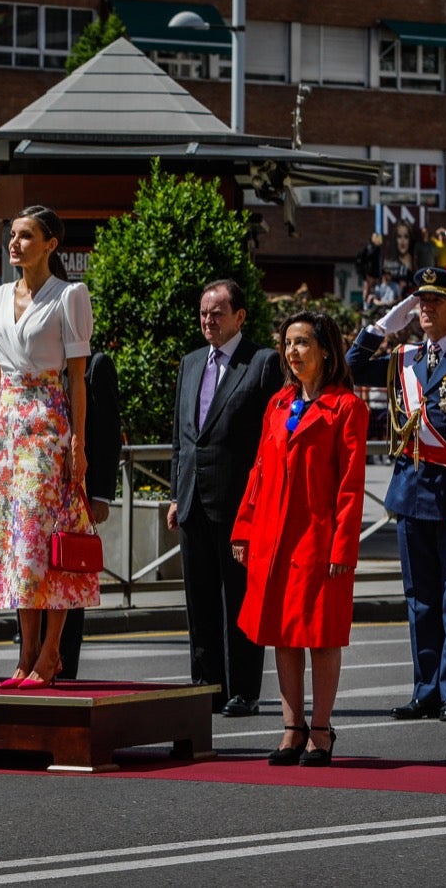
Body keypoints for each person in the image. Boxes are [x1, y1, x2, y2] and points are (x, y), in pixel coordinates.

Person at [346, 267, 446, 723]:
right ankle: (426, 689)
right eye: (420, 301)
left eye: (436, 301)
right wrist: (381, 327)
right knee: (420, 596)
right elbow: (352, 367)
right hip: (411, 489)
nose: (425, 309)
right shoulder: (405, 358)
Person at [230, 311, 368, 766]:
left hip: (317, 537)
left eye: (303, 342)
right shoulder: (278, 404)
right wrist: (244, 527)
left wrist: (343, 546)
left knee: (321, 636)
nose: (293, 352)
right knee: (282, 634)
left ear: (326, 349)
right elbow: (257, 472)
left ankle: (322, 729)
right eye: (288, 343)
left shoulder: (347, 408)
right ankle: (292, 727)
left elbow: (350, 484)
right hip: (273, 536)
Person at [0, 206, 99, 688]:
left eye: (26, 236)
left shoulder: (69, 296)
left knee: (47, 540)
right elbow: (0, 374)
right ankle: (24, 656)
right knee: (18, 544)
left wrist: (78, 445)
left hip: (48, 422)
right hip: (8, 428)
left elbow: (78, 379)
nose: (15, 243)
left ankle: (50, 655)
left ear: (50, 244)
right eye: (12, 235)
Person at [168, 279, 285, 717]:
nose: (208, 320)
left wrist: (261, 503)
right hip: (194, 499)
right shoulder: (191, 362)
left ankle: (243, 690)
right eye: (203, 312)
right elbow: (182, 439)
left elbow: (270, 439)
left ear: (240, 316)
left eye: (217, 312)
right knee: (199, 599)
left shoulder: (261, 363)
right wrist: (176, 493)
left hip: (239, 502)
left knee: (237, 600)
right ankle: (206, 685)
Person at [51, 345, 123, 680]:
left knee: (69, 572)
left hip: (78, 491)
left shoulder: (96, 365)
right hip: (43, 488)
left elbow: (109, 434)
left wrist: (101, 495)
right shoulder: (43, 361)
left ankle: (64, 663)